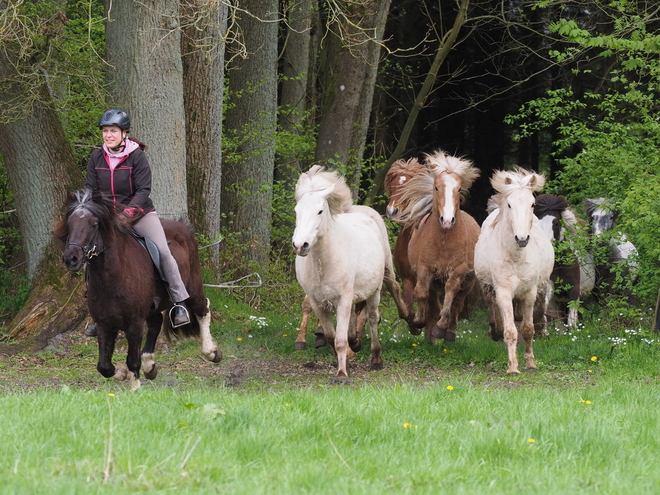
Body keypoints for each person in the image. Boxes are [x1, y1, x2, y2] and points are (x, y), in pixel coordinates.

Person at [84, 109, 190, 336]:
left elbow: (143, 190)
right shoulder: (96, 157)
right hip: (107, 218)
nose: (108, 135)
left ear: (124, 133)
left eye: (113, 131)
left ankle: (179, 302)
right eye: (105, 131)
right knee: (90, 253)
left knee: (162, 251)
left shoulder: (136, 156)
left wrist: (127, 214)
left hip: (140, 214)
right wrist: (96, 213)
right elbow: (90, 189)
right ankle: (96, 314)